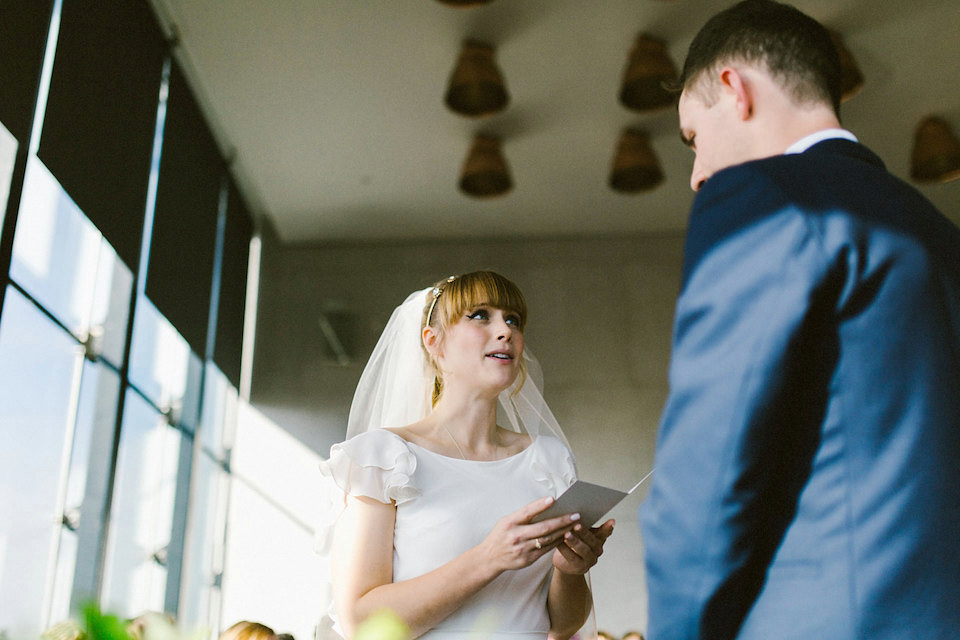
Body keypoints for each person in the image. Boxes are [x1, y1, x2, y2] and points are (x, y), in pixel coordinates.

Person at [639, 1, 960, 639]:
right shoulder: (940, 233)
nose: (699, 175)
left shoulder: (763, 197)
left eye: (694, 138)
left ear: (734, 89)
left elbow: (711, 462)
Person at [319, 271, 615, 640]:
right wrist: (488, 557)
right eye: (479, 315)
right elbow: (361, 623)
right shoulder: (381, 458)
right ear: (434, 342)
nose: (505, 330)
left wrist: (570, 570)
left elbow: (563, 625)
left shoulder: (549, 459)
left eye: (514, 320)